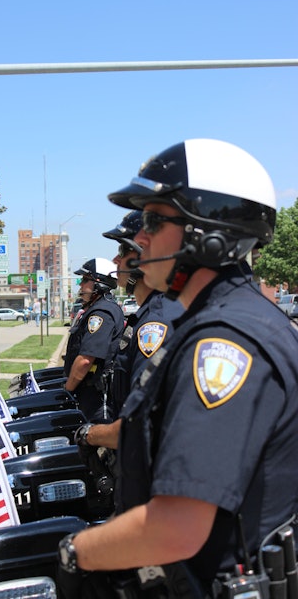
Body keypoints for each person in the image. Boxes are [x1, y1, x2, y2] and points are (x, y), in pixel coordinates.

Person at [58, 139, 298, 598]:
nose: (139, 238)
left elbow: (177, 528)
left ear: (207, 232)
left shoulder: (224, 343)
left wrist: (76, 550)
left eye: (153, 220)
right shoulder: (220, 323)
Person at [75, 210, 183, 452]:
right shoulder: (145, 315)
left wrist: (91, 435)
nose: (116, 260)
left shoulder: (155, 324)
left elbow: (141, 424)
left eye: (123, 251)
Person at [63, 257, 124, 422]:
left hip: (97, 398)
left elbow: (85, 360)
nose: (81, 285)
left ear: (99, 283)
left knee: (94, 442)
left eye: (85, 280)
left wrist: (67, 390)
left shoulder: (101, 313)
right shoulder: (98, 309)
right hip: (90, 393)